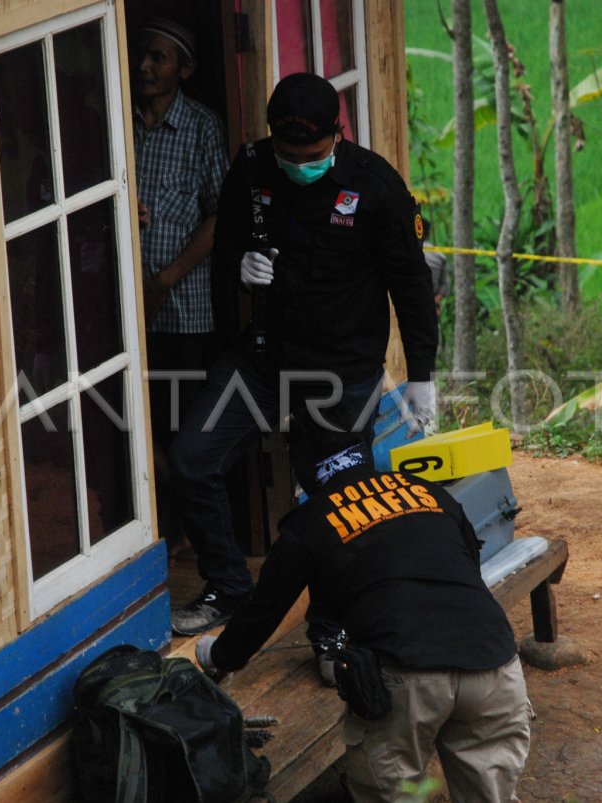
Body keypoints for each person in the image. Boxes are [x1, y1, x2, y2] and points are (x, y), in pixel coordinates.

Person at [168, 72, 439, 635]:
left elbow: (412, 288)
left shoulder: (374, 186)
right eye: (288, 154)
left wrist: (422, 377)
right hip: (263, 361)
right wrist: (241, 269)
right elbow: (227, 248)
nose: (299, 164)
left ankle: (334, 623)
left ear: (336, 136)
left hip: (343, 372)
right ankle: (229, 586)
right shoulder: (251, 168)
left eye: (311, 155)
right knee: (192, 457)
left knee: (343, 502)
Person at [194, 415, 532, 802]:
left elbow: (262, 610)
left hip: (408, 675)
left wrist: (219, 654)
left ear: (303, 463)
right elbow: (469, 566)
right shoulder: (429, 493)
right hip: (494, 664)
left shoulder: (308, 523)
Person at [130, 18, 230, 546]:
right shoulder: (121, 121)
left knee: (181, 426)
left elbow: (219, 220)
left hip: (182, 310)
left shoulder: (201, 128)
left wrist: (162, 282)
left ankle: (192, 529)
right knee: (135, 423)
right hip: (127, 308)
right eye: (142, 56)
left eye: (158, 58)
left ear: (185, 70)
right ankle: (165, 529)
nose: (144, 67)